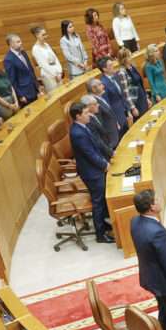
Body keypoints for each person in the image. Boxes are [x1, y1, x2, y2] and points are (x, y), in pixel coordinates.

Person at [131, 189, 166, 330]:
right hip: (164, 283)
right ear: (152, 207)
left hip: (149, 276)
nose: (160, 201)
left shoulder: (135, 221)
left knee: (163, 308)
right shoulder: (157, 232)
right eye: (157, 200)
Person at [68, 101, 114, 244]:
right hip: (91, 173)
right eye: (86, 113)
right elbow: (89, 154)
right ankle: (100, 235)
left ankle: (104, 224)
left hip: (93, 168)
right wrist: (104, 164)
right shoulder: (78, 133)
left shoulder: (82, 127)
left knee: (101, 199)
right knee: (98, 202)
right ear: (78, 116)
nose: (89, 115)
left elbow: (94, 147)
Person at [3, 33, 42, 105]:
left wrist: (37, 85)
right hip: (24, 93)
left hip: (33, 88)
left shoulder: (23, 52)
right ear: (11, 44)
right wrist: (20, 95)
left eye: (20, 41)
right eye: (18, 42)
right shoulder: (8, 59)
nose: (21, 43)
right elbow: (12, 80)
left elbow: (31, 70)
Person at [85, 77, 121, 150]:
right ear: (93, 89)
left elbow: (109, 113)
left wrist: (116, 122)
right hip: (110, 141)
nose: (103, 86)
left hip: (114, 135)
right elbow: (99, 124)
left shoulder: (100, 97)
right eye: (100, 84)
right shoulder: (93, 103)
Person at [99, 57, 134, 128]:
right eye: (110, 65)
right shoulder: (103, 84)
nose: (113, 67)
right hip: (117, 117)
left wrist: (128, 111)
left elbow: (122, 95)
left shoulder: (115, 76)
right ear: (104, 69)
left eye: (112, 64)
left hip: (124, 113)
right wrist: (115, 121)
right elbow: (107, 105)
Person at [31, 25, 64, 94]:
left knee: (62, 93)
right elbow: (43, 65)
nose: (46, 36)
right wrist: (55, 75)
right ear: (37, 35)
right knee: (54, 95)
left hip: (57, 74)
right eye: (43, 35)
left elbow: (55, 59)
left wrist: (59, 71)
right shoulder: (35, 49)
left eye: (46, 34)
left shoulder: (46, 45)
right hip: (49, 76)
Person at [118, 47, 149, 115]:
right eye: (129, 56)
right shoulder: (122, 72)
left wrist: (146, 97)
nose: (131, 57)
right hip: (135, 101)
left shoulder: (132, 66)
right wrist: (133, 108)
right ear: (124, 59)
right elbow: (126, 92)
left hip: (142, 96)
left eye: (130, 55)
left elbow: (140, 83)